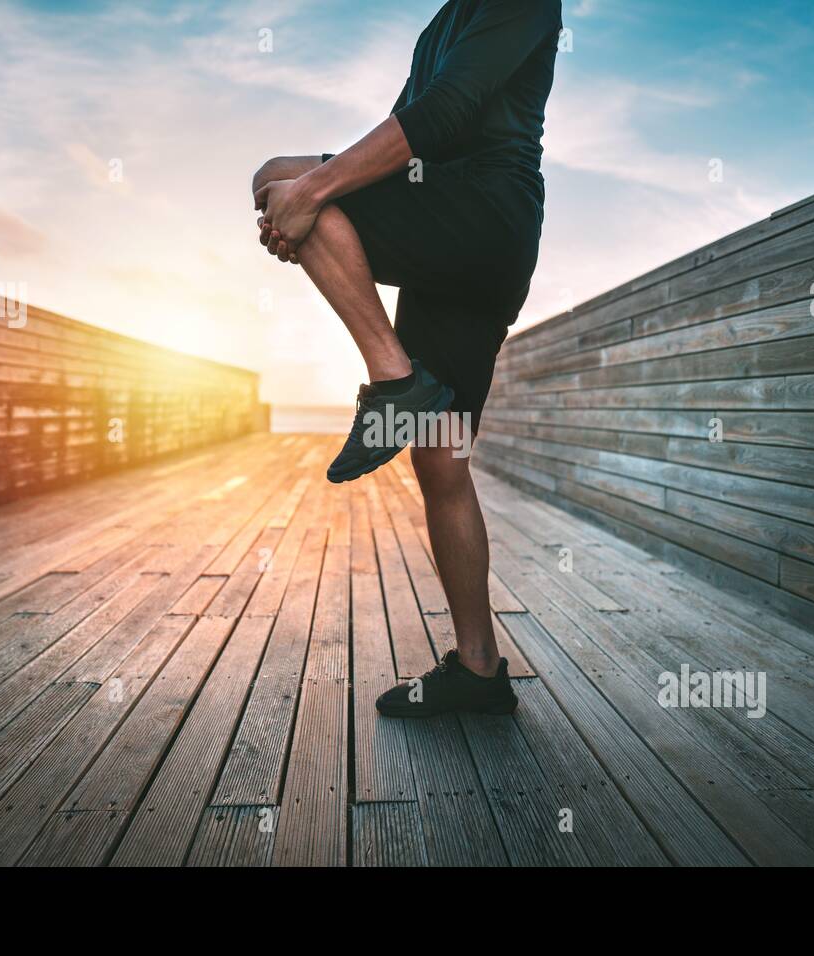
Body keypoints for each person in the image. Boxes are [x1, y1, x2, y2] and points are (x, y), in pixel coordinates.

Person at [252, 0, 561, 717]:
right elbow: (407, 143)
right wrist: (300, 206)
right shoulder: (440, 25)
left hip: (481, 221)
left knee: (284, 183)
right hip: (457, 250)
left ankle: (394, 381)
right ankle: (480, 672)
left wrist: (308, 195)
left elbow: (444, 115)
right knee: (440, 457)